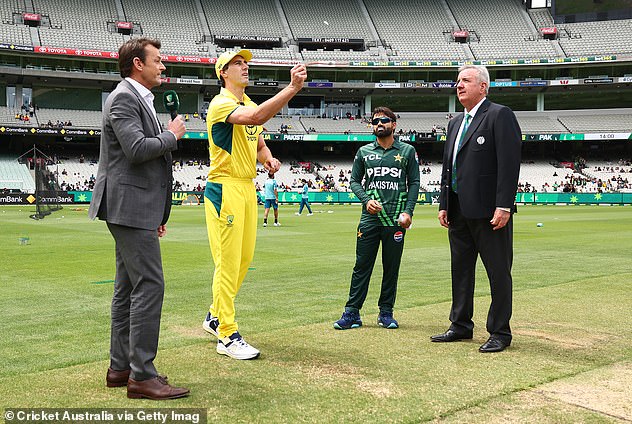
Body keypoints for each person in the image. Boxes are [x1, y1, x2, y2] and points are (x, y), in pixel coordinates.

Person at [88, 37, 189, 399]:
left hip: (136, 208)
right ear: (137, 64)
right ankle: (142, 376)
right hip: (128, 207)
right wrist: (171, 135)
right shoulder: (124, 99)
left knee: (128, 288)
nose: (163, 67)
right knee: (150, 285)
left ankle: (121, 369)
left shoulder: (135, 98)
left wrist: (157, 212)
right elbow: (136, 150)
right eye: (158, 61)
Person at [202, 49, 307, 359]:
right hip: (225, 188)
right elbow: (257, 118)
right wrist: (292, 88)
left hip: (247, 187)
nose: (245, 67)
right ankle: (227, 335)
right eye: (238, 63)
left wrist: (269, 158)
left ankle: (214, 315)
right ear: (223, 72)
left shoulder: (246, 103)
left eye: (246, 63)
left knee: (243, 260)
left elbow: (258, 141)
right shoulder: (221, 103)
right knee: (228, 262)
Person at [431, 65, 521, 353]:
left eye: (466, 81)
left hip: (489, 212)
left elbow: (509, 163)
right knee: (461, 270)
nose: (459, 85)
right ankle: (460, 325)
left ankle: (499, 331)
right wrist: (444, 203)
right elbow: (449, 167)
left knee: (497, 271)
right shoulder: (455, 122)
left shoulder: (499, 115)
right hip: (457, 209)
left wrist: (504, 205)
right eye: (458, 81)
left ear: (483, 86)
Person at [333, 107, 420, 330]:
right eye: (375, 121)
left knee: (391, 268)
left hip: (395, 220)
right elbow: (354, 181)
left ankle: (386, 313)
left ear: (394, 125)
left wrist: (409, 211)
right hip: (369, 220)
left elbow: (414, 183)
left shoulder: (407, 151)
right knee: (362, 266)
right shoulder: (363, 152)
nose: (378, 124)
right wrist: (365, 200)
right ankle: (352, 313)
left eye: (383, 120)